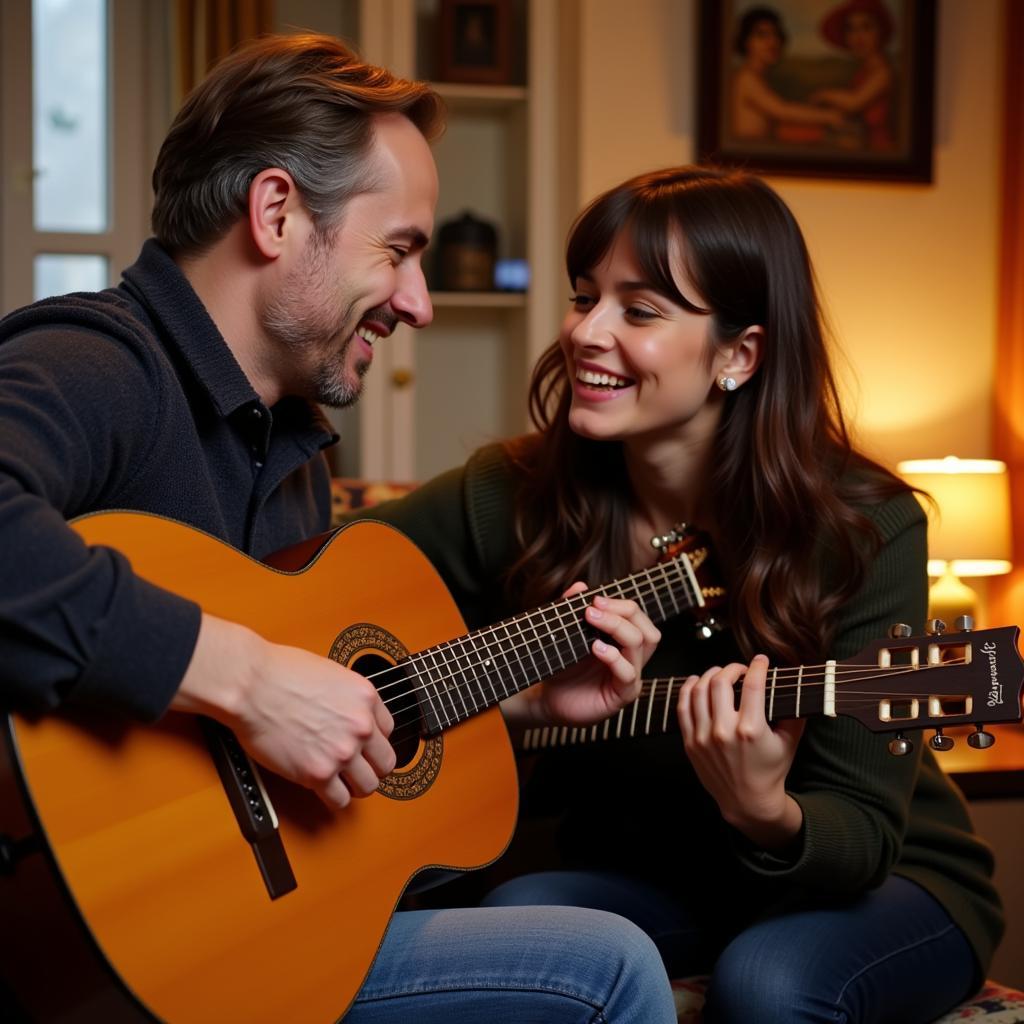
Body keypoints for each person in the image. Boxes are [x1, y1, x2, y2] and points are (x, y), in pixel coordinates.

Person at [0, 33, 679, 1023]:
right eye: (398, 250)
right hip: (75, 947)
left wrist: (511, 703)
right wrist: (246, 676)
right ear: (276, 213)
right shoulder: (101, 364)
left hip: (235, 934)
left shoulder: (298, 453)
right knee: (608, 966)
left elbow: (274, 751)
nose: (418, 303)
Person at [339, 165, 1005, 1023]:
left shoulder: (863, 530)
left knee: (768, 983)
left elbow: (862, 836)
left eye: (640, 311)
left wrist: (764, 808)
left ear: (739, 354)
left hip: (877, 883)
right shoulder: (509, 493)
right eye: (586, 299)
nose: (586, 333)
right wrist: (516, 706)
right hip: (646, 872)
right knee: (515, 930)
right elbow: (323, 587)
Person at [729, 6, 843, 143]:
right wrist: (828, 116)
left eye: (775, 35)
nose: (772, 42)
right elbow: (781, 110)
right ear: (746, 41)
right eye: (762, 35)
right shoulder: (746, 78)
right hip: (744, 159)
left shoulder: (758, 78)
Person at [811, 0, 896, 151]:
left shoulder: (883, 73)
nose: (858, 36)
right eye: (851, 29)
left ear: (880, 31)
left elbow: (854, 102)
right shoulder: (863, 72)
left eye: (866, 27)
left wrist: (824, 94)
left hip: (877, 151)